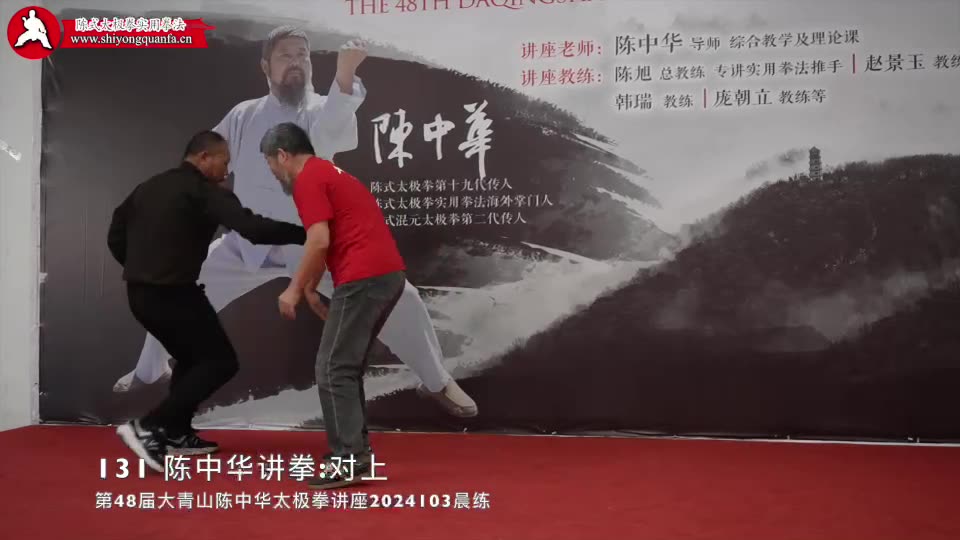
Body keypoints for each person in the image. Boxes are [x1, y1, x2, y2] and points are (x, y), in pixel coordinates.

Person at [113, 24, 477, 418]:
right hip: (246, 245)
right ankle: (149, 370)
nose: (295, 62)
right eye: (285, 56)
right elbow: (207, 163)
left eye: (302, 55)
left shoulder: (321, 109)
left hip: (314, 245)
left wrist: (345, 74)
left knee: (398, 297)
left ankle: (437, 380)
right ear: (265, 66)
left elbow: (330, 132)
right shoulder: (244, 114)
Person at [107, 130, 307, 472]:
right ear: (203, 157)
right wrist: (306, 233)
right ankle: (150, 426)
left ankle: (176, 433)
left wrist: (142, 267)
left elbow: (116, 234)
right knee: (220, 362)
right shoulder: (204, 191)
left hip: (140, 294)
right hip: (173, 294)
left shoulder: (148, 187)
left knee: (192, 358)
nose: (226, 172)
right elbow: (254, 229)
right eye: (223, 163)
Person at [261, 122, 407, 489]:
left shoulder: (308, 179)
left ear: (283, 155)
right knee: (344, 367)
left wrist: (294, 290)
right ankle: (355, 454)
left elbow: (319, 240)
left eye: (270, 163)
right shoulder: (327, 172)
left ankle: (349, 459)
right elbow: (332, 236)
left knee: (332, 367)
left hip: (364, 277)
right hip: (382, 275)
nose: (272, 172)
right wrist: (311, 287)